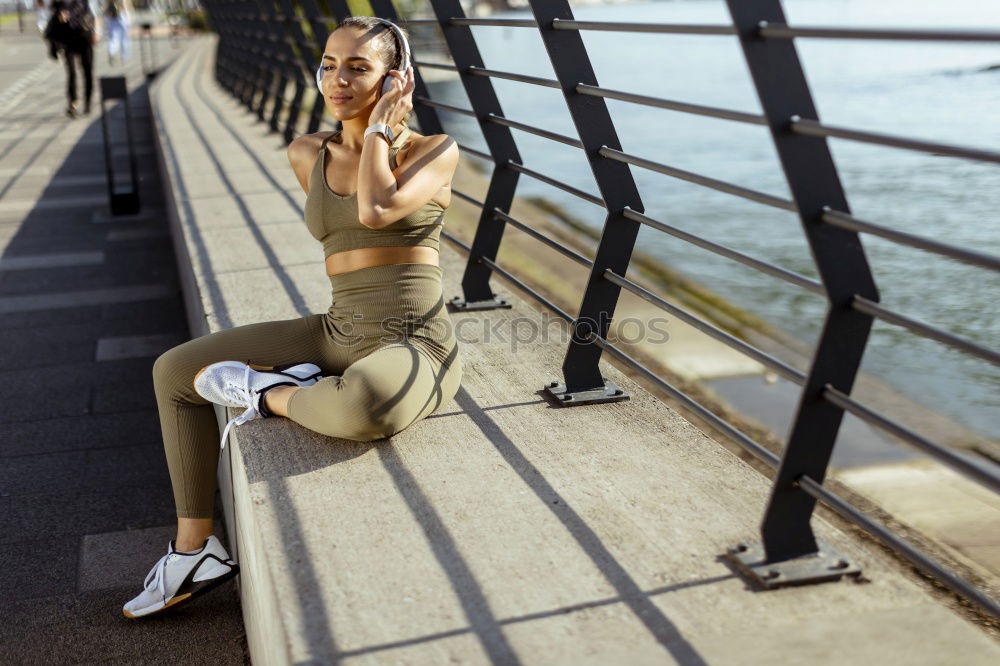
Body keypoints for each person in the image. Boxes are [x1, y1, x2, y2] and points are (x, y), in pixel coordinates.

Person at [122, 16, 463, 619]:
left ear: (395, 80)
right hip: (338, 331)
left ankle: (271, 395)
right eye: (330, 64)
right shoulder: (308, 152)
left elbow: (378, 208)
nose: (338, 78)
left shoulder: (434, 151)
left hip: (416, 343)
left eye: (359, 67)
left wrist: (381, 130)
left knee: (363, 408)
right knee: (175, 372)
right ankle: (194, 549)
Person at [43, 0, 98, 117]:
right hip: (68, 41)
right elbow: (53, 23)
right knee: (71, 73)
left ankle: (88, 102)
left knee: (88, 72)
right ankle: (73, 103)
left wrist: (94, 32)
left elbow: (91, 15)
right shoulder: (60, 4)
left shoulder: (83, 2)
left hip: (84, 38)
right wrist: (60, 17)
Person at [102, 0, 130, 66]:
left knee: (115, 37)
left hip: (114, 16)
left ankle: (114, 52)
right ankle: (123, 55)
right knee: (123, 38)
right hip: (120, 16)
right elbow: (125, 3)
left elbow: (106, 6)